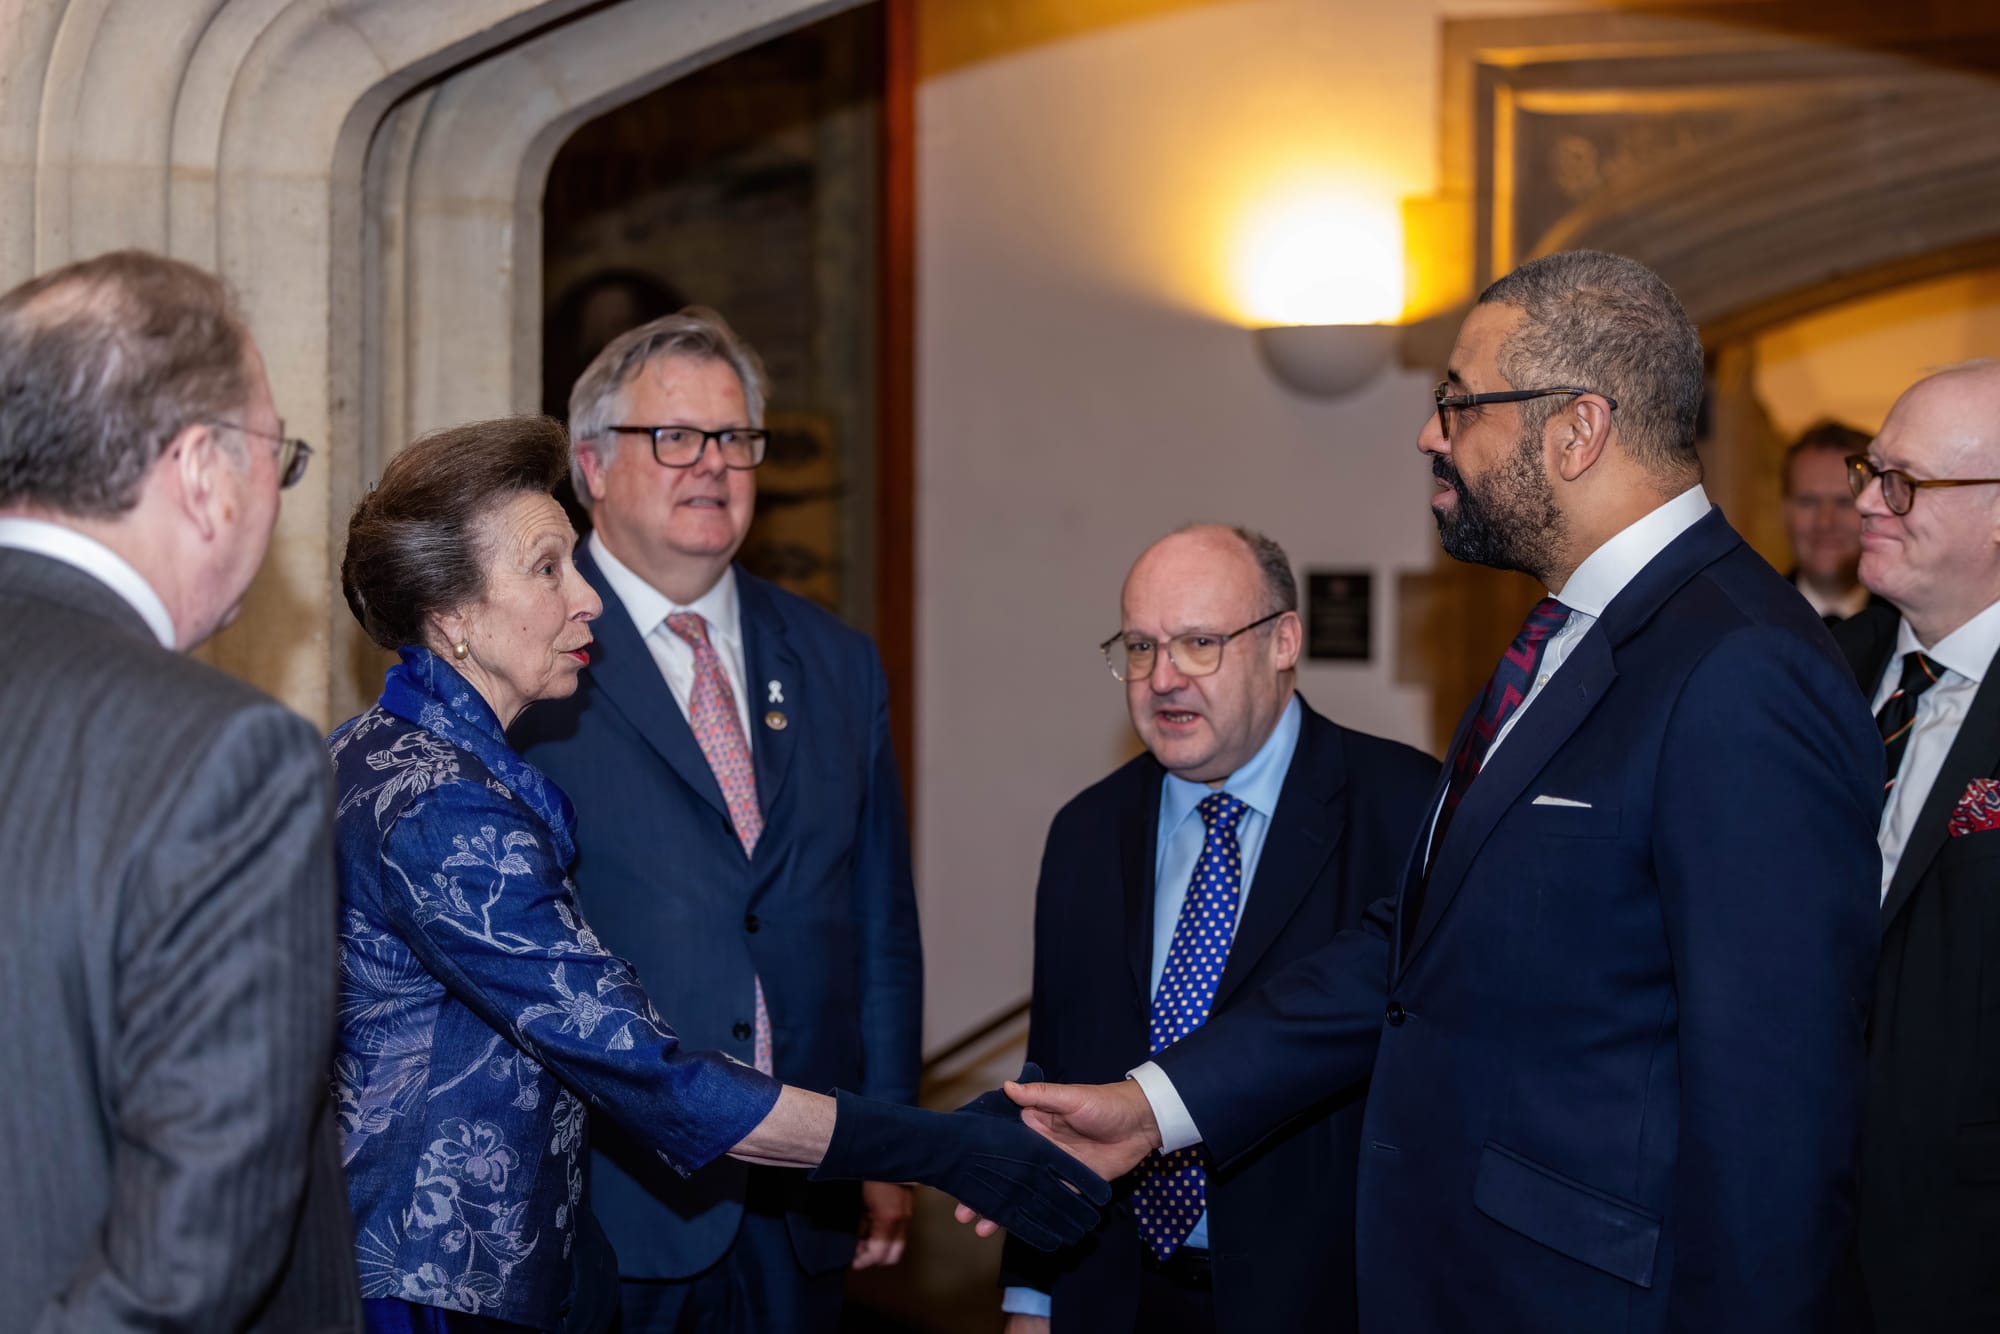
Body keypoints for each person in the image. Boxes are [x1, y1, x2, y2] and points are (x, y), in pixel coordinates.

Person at [991, 250, 1883, 1333]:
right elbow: (1405, 952)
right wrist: (1151, 1106)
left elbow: (1775, 1117)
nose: (1429, 433)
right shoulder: (1558, 642)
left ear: (1573, 428)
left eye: (1457, 402)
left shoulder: (1739, 665)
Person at [330, 415, 1101, 1334]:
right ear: (452, 614)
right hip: (436, 1284)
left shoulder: (383, 753)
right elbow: (654, 1076)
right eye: (547, 570)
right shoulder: (444, 810)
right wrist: (948, 1149)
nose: (589, 600)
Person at [511, 309, 921, 1332]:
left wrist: (887, 1140)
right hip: (610, 1196)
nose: (713, 465)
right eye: (677, 437)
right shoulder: (527, 654)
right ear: (592, 465)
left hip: (804, 1200)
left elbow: (876, 931)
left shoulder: (834, 660)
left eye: (735, 438)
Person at [0, 251, 361, 1331]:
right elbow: (188, 1261)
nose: (268, 495)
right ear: (204, 470)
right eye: (277, 458)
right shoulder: (225, 756)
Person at [997, 524, 1438, 1334]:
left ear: (1283, 641)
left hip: (1323, 1300)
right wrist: (1031, 1297)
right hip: (1113, 1292)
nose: (1163, 678)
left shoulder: (1407, 811)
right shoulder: (1086, 833)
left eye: (1199, 643)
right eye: (1139, 646)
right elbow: (1053, 1070)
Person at [1828, 361, 2000, 1333]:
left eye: (1902, 482)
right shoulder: (1808, 675)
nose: (1864, 500)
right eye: (1868, 467)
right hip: (1781, 1237)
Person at [1781, 419, 1875, 623]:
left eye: (1844, 502)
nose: (1825, 522)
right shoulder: (1745, 618)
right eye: (1808, 502)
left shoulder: (1914, 625)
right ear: (1785, 510)